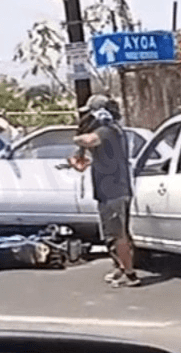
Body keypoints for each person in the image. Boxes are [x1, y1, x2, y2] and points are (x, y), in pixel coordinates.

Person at [69, 94, 140, 288]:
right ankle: (120, 267)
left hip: (114, 190)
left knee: (119, 234)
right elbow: (87, 158)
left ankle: (130, 274)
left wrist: (77, 137)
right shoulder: (113, 131)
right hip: (109, 189)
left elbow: (89, 140)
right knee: (113, 233)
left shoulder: (108, 131)